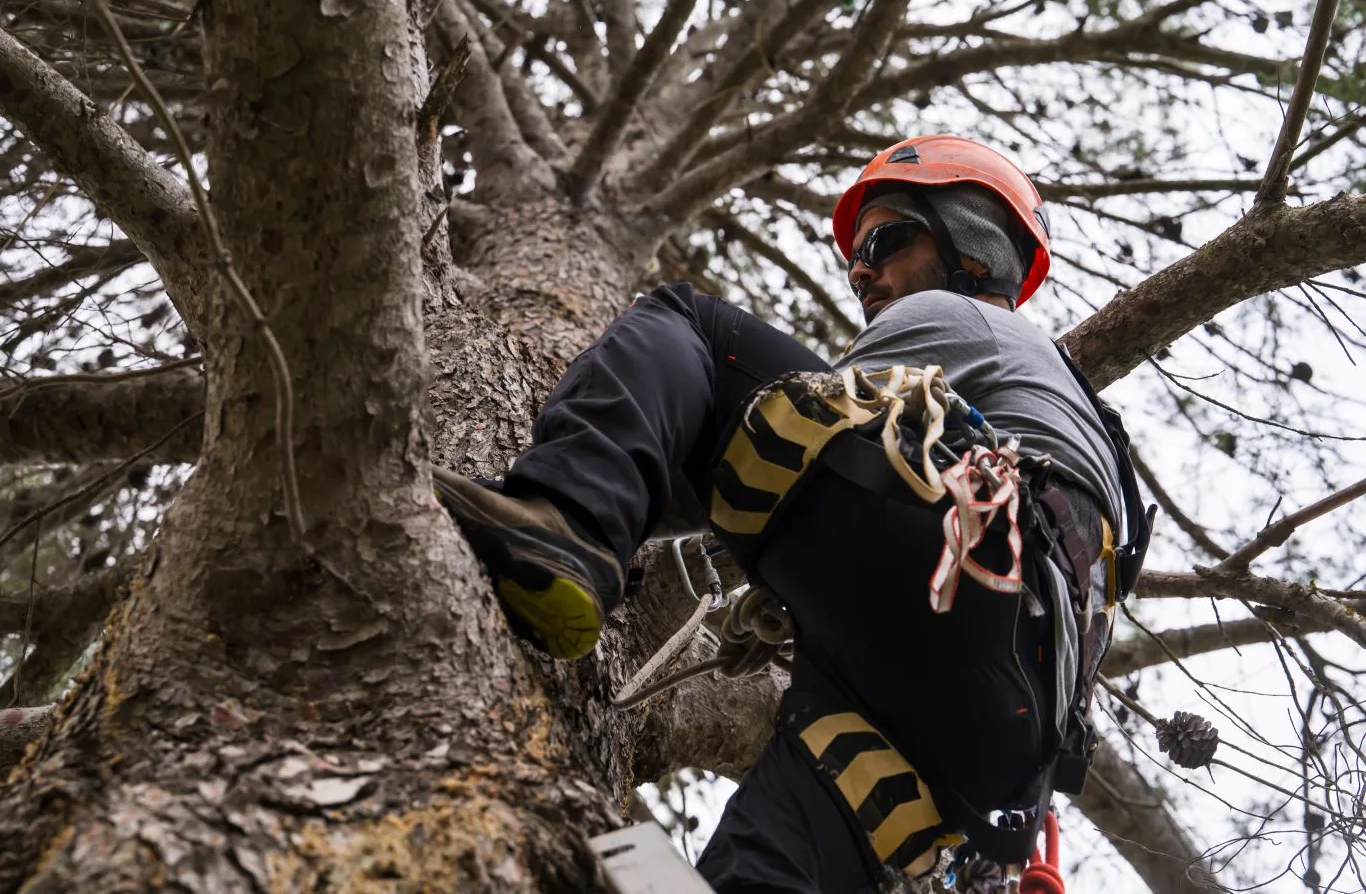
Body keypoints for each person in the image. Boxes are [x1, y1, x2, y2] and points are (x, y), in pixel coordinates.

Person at [434, 134, 1151, 893]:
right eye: (856, 258)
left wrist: (620, 499)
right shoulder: (1059, 404)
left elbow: (804, 426)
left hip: (958, 558)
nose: (861, 269)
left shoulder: (963, 317)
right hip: (991, 731)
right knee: (770, 845)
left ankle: (566, 518)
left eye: (882, 240)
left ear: (970, 242)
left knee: (688, 323)